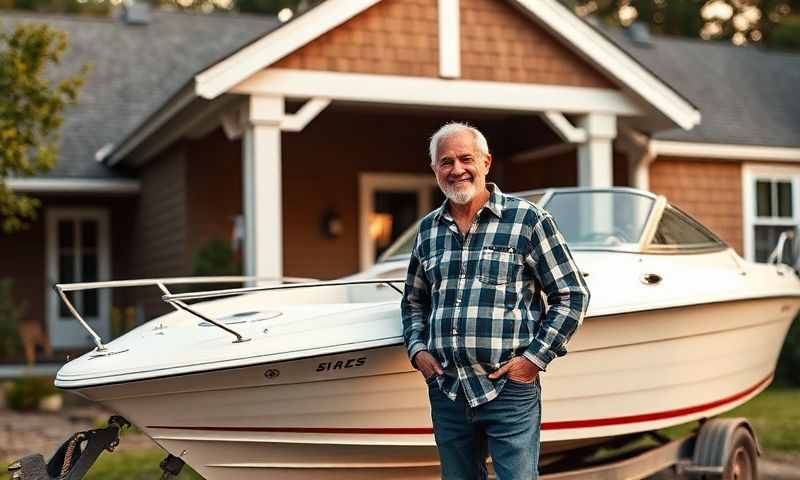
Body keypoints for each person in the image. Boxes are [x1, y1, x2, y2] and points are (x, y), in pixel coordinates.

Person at [401, 122, 590, 480]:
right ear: (435, 170)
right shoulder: (427, 230)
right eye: (446, 162)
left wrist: (532, 360)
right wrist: (418, 350)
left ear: (486, 162)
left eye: (465, 158)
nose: (456, 169)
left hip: (509, 390)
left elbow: (572, 295)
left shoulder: (529, 221)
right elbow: (413, 301)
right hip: (447, 390)